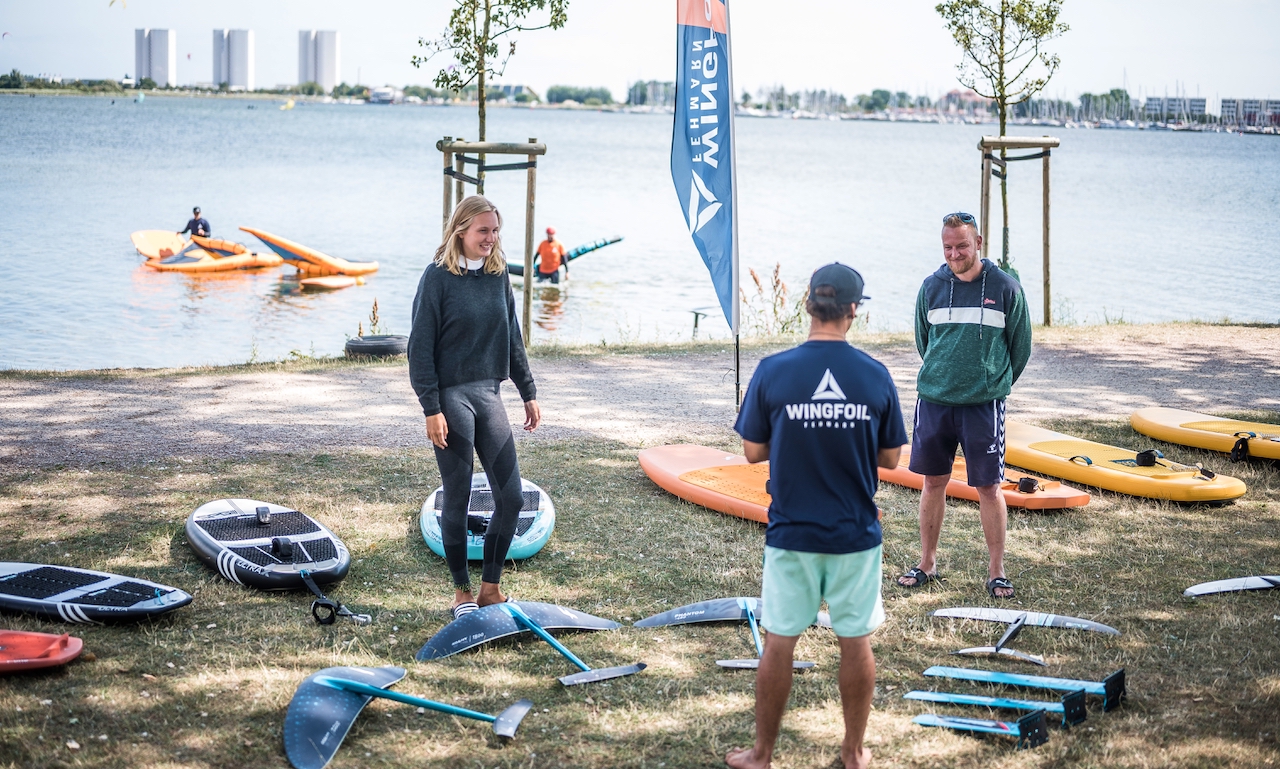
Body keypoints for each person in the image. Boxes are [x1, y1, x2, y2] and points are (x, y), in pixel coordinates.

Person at [728, 263, 907, 769]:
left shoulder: (774, 370)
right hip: (855, 533)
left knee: (780, 640)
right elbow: (892, 458)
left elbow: (752, 450)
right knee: (856, 640)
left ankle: (762, 755)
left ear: (808, 305)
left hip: (792, 532)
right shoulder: (874, 374)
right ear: (854, 310)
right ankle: (852, 753)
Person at [408, 195, 541, 619]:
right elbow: (419, 349)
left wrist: (528, 390)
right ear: (461, 230)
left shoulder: (498, 276)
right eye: (483, 230)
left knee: (513, 497)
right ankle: (462, 592)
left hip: (488, 393)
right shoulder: (436, 279)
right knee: (459, 494)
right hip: (450, 397)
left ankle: (490, 589)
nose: (491, 238)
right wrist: (431, 407)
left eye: (495, 230)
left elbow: (513, 338)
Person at [897, 212, 1032, 599]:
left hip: (983, 406)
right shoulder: (931, 287)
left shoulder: (1006, 288)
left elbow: (1019, 349)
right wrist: (944, 375)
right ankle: (927, 562)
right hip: (934, 401)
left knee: (989, 487)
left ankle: (996, 571)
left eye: (962, 245)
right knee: (932, 482)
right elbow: (925, 342)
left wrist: (991, 382)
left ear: (979, 243)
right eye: (948, 247)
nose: (954, 254)